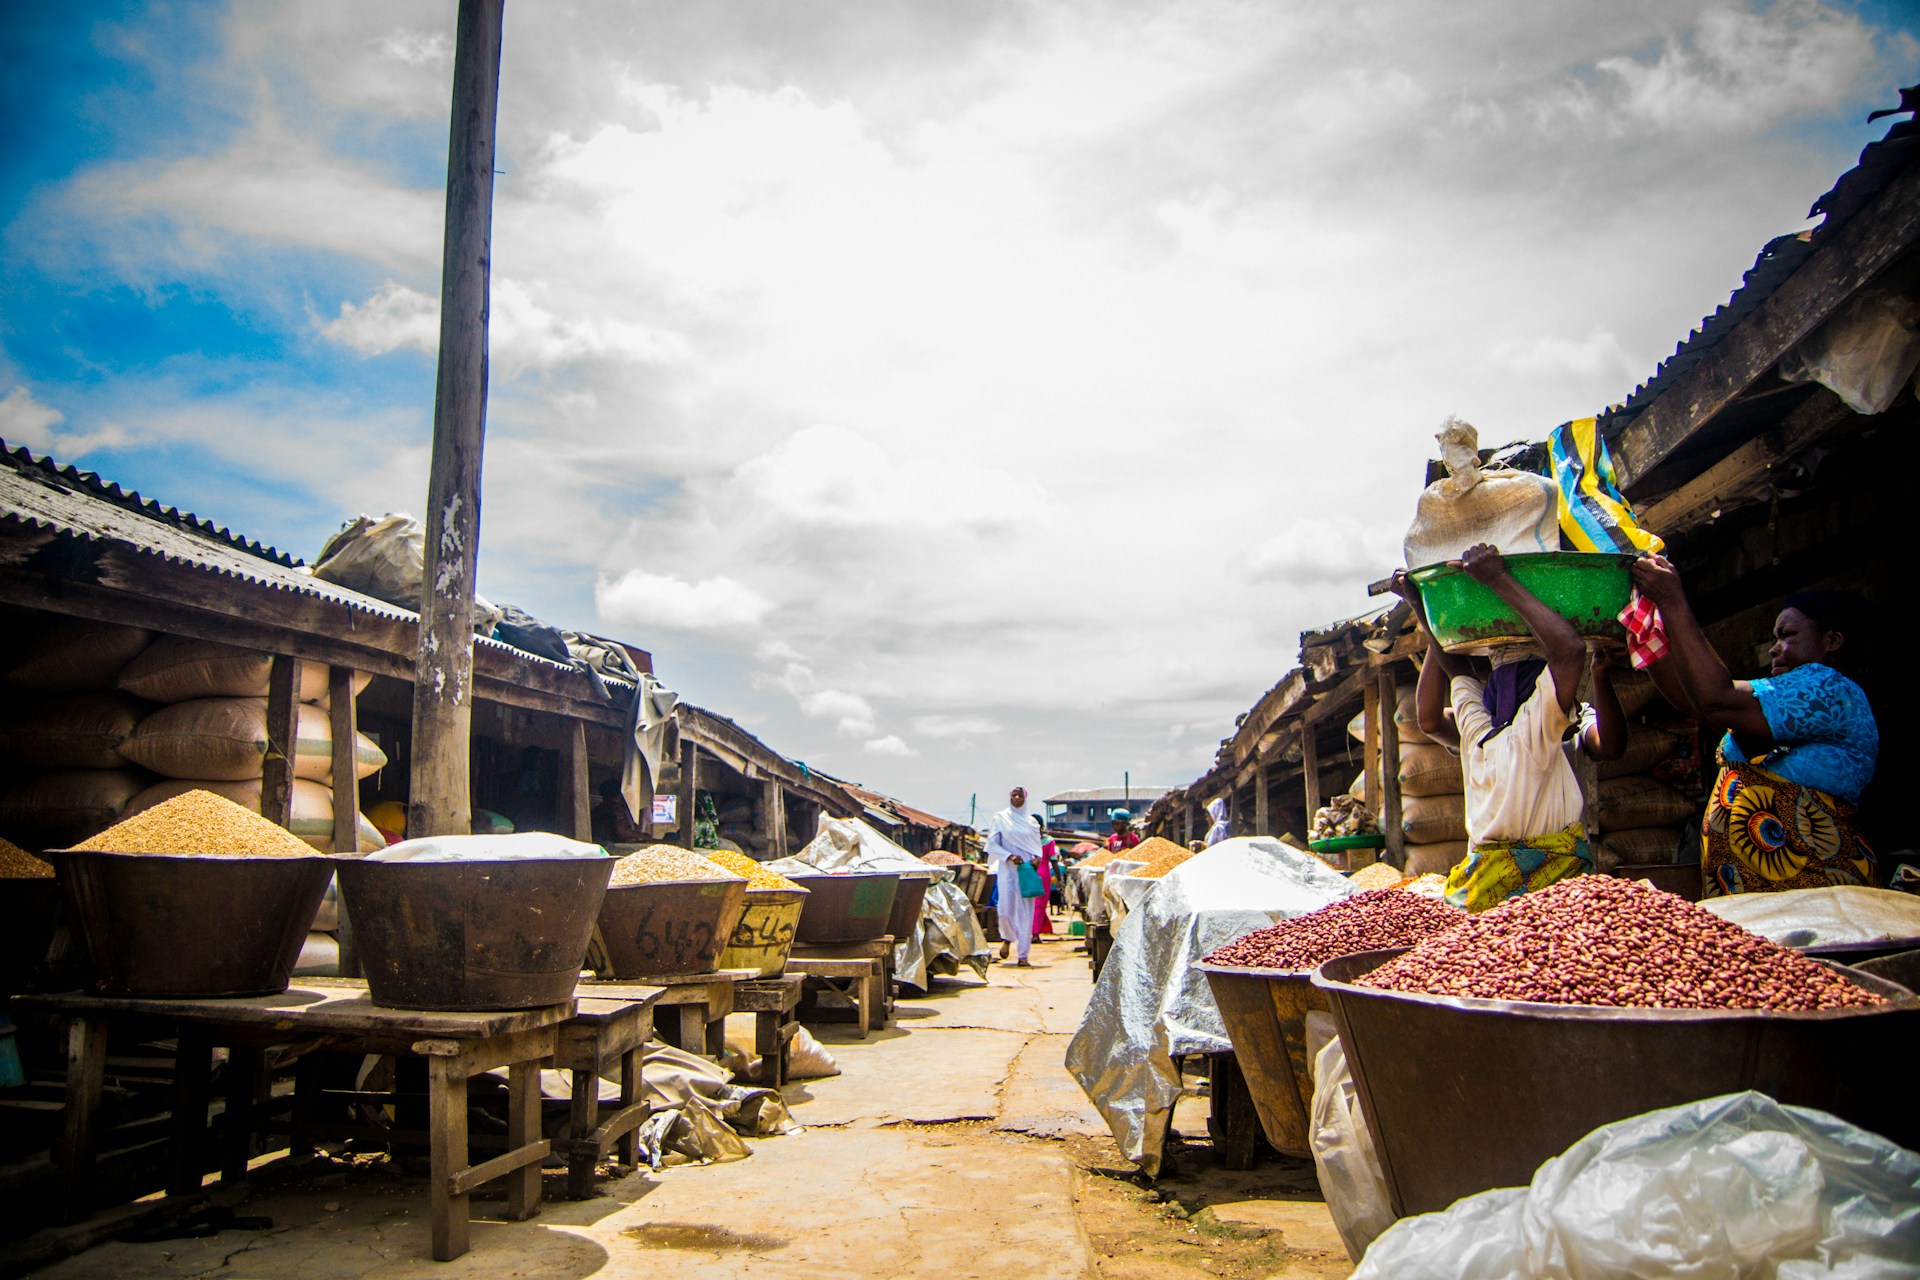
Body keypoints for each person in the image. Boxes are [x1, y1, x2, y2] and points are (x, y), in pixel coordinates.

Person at [1392, 544, 1626, 911]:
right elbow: (1450, 682)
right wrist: (1428, 603)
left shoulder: (1500, 730)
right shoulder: (1502, 731)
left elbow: (1457, 670)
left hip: (1494, 891)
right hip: (1513, 888)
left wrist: (1425, 604)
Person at [1629, 557, 1878, 895]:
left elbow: (1715, 698)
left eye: (1787, 635)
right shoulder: (1783, 712)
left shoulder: (1830, 687)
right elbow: (1697, 704)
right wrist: (1645, 635)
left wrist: (1673, 601)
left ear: (1832, 641)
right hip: (1768, 898)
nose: (1774, 648)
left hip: (1815, 895)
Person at [984, 785, 1045, 966]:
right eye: (1014, 795)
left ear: (1025, 798)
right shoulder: (1000, 818)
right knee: (1005, 910)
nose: (1017, 798)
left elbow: (1037, 848)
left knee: (1025, 912)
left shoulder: (1032, 823)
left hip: (1026, 871)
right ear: (1010, 797)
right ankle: (1007, 938)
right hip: (1007, 870)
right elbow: (992, 844)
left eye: (1020, 796)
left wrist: (1037, 859)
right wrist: (1009, 856)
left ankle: (1023, 955)